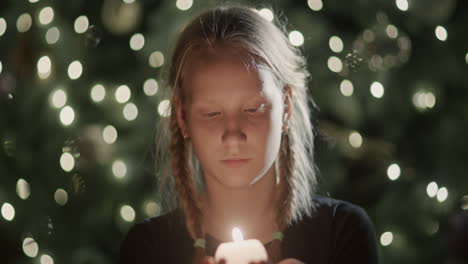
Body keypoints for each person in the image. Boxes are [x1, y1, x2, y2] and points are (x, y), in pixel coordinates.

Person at [119, 4, 379, 264]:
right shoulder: (149, 247)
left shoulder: (341, 232)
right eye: (211, 114)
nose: (233, 135)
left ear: (286, 108)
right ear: (182, 117)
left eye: (253, 109)